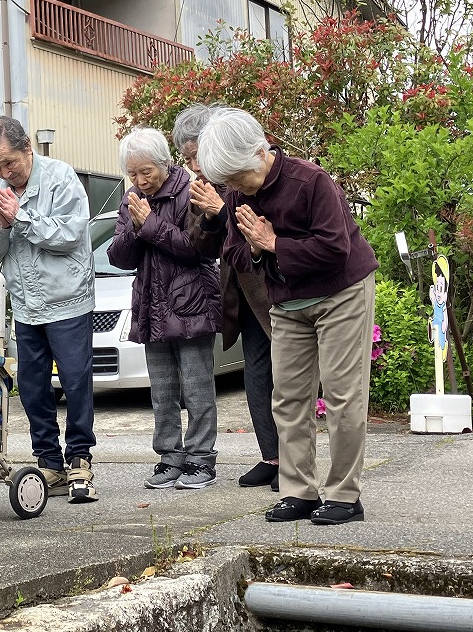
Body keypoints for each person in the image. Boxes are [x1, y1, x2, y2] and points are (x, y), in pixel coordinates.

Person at [197, 107, 379, 525]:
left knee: (342, 396)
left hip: (340, 293)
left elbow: (336, 248)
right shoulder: (239, 195)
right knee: (288, 399)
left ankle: (344, 496)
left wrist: (274, 243)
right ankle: (299, 491)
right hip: (286, 302)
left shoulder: (310, 181)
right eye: (228, 182)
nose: (234, 189)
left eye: (237, 178)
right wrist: (255, 247)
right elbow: (233, 253)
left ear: (259, 153)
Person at [0, 115, 98, 503]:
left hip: (67, 299)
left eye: (9, 163)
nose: (4, 173)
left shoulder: (60, 177)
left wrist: (20, 217)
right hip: (25, 304)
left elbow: (70, 234)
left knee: (75, 382)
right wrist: (4, 226)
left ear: (27, 147)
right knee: (32, 387)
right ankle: (49, 463)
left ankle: (80, 460)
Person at [107, 127, 222, 491]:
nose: (141, 181)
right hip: (151, 305)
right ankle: (170, 458)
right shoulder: (132, 199)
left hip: (191, 302)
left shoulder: (191, 190)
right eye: (133, 173)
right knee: (162, 390)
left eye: (147, 172)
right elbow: (118, 256)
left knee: (197, 388)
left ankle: (201, 459)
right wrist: (135, 227)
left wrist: (150, 224)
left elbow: (196, 249)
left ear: (165, 163)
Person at [174, 104, 280, 492]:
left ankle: (294, 461)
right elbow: (200, 247)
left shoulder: (249, 174)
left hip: (272, 288)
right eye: (187, 159)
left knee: (285, 378)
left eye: (196, 155)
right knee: (256, 376)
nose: (194, 166)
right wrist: (209, 216)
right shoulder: (201, 188)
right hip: (241, 295)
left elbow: (262, 229)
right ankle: (271, 457)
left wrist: (222, 211)